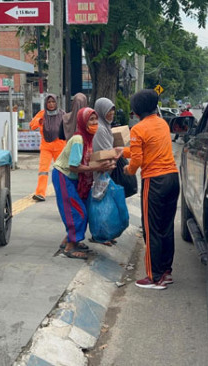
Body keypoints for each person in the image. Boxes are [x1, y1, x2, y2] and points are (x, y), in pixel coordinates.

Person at [124, 89, 180, 290]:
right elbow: (147, 148)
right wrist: (121, 150)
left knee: (151, 230)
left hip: (154, 181)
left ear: (136, 111)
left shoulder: (138, 129)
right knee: (166, 227)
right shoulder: (162, 124)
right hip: (172, 178)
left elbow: (137, 160)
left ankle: (154, 277)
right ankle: (166, 272)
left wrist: (128, 169)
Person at [52, 107, 114, 259]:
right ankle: (69, 248)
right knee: (78, 212)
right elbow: (74, 166)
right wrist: (97, 167)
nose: (94, 123)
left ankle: (69, 240)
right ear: (82, 122)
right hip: (64, 175)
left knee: (81, 210)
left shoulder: (88, 138)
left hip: (72, 178)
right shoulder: (79, 140)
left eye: (95, 119)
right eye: (90, 120)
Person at [91, 97, 124, 246]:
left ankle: (106, 234)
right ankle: (101, 235)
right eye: (108, 110)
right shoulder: (100, 129)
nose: (111, 113)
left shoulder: (106, 127)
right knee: (101, 205)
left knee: (106, 203)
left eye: (112, 110)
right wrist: (116, 153)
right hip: (100, 170)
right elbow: (104, 152)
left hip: (106, 170)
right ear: (101, 111)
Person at [30, 94, 66, 201]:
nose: (51, 104)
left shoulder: (62, 114)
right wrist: (39, 121)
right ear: (46, 103)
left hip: (60, 145)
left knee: (62, 171)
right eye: (49, 102)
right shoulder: (42, 114)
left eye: (53, 102)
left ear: (56, 103)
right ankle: (40, 193)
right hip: (46, 146)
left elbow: (69, 127)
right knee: (43, 170)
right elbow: (32, 125)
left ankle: (64, 192)